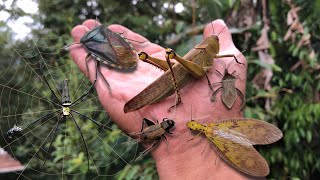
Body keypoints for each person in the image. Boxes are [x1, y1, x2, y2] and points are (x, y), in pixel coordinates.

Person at [70, 19, 259, 179]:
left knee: (182, 62)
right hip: (180, 76)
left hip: (182, 77)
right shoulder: (207, 53)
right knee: (178, 60)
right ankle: (174, 90)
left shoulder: (212, 54)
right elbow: (202, 70)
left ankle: (164, 79)